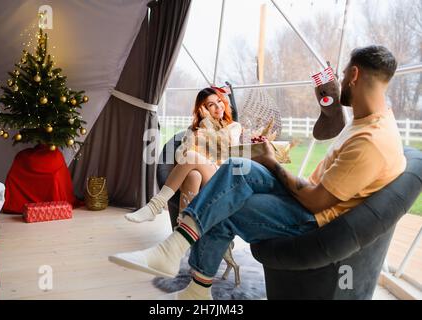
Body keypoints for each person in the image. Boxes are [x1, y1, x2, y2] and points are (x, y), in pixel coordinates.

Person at [110, 45, 406, 300]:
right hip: (308, 199)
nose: (340, 81)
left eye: (343, 75)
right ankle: (187, 273)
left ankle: (182, 264)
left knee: (224, 199)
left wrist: (272, 162)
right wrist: (263, 159)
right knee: (237, 169)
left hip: (310, 219)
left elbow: (316, 202)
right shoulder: (368, 123)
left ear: (354, 74)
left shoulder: (371, 142)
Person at [125, 87, 242, 223]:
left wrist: (207, 124)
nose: (218, 106)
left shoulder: (233, 127)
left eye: (219, 101)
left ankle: (155, 206)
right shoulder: (193, 130)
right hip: (201, 176)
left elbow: (224, 152)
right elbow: (181, 157)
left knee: (192, 157)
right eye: (211, 105)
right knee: (193, 175)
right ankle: (184, 229)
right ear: (202, 109)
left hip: (222, 177)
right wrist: (200, 132)